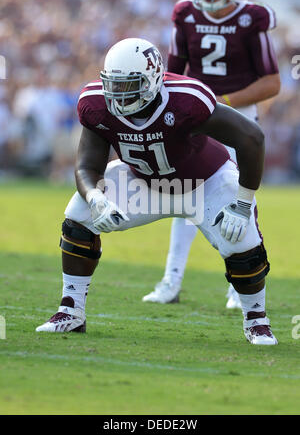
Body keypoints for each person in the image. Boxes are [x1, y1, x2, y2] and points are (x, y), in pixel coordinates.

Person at [36, 37, 277, 345]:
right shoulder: (95, 103)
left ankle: (256, 319)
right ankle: (71, 311)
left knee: (241, 239)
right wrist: (96, 199)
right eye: (114, 84)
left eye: (129, 85)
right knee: (79, 213)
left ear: (152, 79)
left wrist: (243, 203)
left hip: (205, 182)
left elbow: (252, 138)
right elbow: (87, 167)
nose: (118, 94)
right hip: (145, 182)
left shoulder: (186, 98)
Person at [142, 0, 280, 307]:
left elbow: (272, 82)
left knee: (238, 197)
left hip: (236, 118)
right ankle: (171, 280)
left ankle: (241, 284)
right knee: (186, 191)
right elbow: (171, 74)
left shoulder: (251, 17)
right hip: (195, 116)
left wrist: (220, 103)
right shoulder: (185, 14)